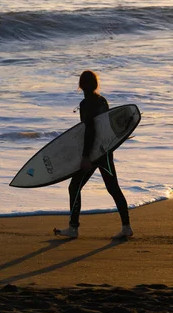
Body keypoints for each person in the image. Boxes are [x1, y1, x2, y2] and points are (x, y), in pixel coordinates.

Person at [55, 70, 133, 239]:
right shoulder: (102, 101)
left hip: (93, 155)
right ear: (96, 85)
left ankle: (73, 228)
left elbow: (90, 130)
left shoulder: (86, 104)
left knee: (74, 187)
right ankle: (126, 226)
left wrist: (85, 157)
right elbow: (106, 129)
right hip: (105, 153)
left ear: (81, 86)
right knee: (113, 188)